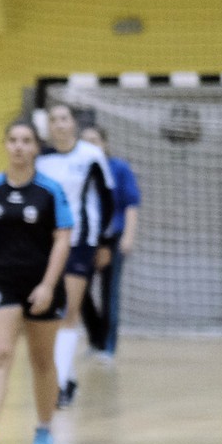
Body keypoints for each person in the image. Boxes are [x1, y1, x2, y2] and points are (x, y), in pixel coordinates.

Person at [0, 121, 73, 444]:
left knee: (42, 360)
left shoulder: (50, 191)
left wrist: (48, 285)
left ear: (36, 148)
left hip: (41, 284)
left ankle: (44, 428)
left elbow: (63, 240)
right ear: (5, 145)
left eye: (26, 141)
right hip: (2, 283)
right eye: (12, 140)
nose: (18, 147)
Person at [33, 103, 114, 408]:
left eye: (64, 119)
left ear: (73, 124)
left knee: (69, 310)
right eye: (54, 120)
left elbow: (107, 199)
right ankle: (65, 376)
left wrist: (105, 242)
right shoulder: (41, 159)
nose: (59, 124)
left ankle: (59, 384)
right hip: (48, 244)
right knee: (49, 313)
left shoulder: (90, 156)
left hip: (81, 241)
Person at [79, 125, 140, 357]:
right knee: (78, 289)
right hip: (85, 238)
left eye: (94, 140)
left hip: (113, 237)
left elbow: (131, 204)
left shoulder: (119, 168)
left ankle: (109, 346)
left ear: (104, 143)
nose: (90, 145)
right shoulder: (79, 169)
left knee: (109, 291)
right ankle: (96, 339)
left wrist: (128, 236)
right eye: (85, 141)